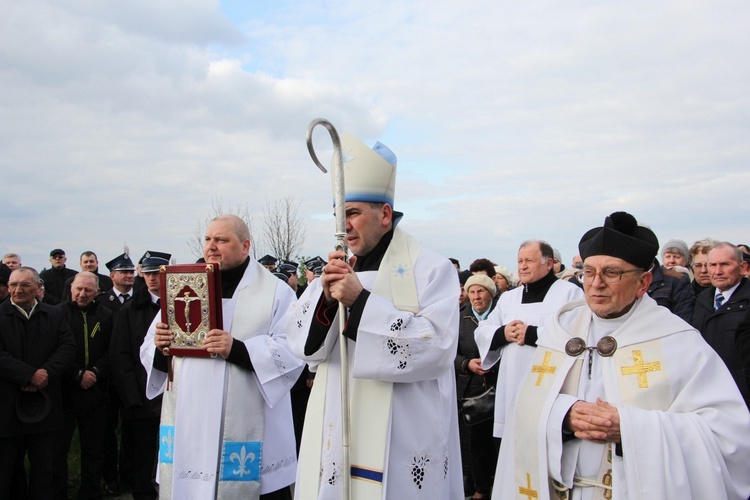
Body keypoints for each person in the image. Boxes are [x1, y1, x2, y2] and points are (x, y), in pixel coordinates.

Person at [491, 211, 750, 499]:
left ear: (643, 282)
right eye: (589, 272)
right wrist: (562, 417)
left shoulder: (677, 341)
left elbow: (728, 437)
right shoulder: (560, 330)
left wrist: (628, 427)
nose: (596, 283)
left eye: (611, 272)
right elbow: (526, 406)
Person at [287, 132, 462, 499]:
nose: (343, 225)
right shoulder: (337, 269)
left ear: (384, 214)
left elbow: (438, 348)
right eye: (338, 214)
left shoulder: (431, 268)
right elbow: (305, 349)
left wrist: (361, 301)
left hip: (403, 433)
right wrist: (324, 297)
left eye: (352, 213)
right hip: (337, 424)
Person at [141, 215, 304, 499]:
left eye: (221, 240)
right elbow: (149, 347)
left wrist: (237, 349)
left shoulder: (275, 291)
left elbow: (293, 351)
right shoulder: (182, 284)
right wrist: (160, 346)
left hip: (248, 424)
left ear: (245, 246)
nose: (211, 246)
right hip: (191, 421)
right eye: (208, 239)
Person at [474, 240, 583, 439]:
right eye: (520, 261)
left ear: (549, 264)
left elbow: (575, 336)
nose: (523, 266)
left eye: (529, 261)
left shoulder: (569, 293)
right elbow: (482, 330)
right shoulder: (509, 298)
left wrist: (532, 334)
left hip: (549, 386)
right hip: (510, 384)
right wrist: (503, 333)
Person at [0, 267, 76, 499]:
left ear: (37, 288)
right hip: (7, 408)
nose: (17, 290)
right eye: (13, 285)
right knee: (6, 471)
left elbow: (68, 347)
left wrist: (45, 373)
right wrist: (27, 375)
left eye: (24, 285)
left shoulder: (53, 315)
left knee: (45, 471)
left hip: (46, 406)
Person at [110, 251, 170, 500]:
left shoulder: (177, 303)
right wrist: (132, 397)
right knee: (142, 454)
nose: (152, 279)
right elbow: (121, 355)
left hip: (171, 392)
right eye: (147, 274)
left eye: (157, 273)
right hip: (141, 395)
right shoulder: (130, 311)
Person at [59, 272, 113, 499]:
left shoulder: (108, 316)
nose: (82, 294)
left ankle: (90, 491)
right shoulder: (57, 314)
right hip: (64, 391)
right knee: (58, 449)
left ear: (97, 292)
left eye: (88, 290)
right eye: (78, 289)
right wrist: (77, 374)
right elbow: (54, 350)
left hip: (95, 391)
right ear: (71, 289)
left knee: (94, 448)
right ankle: (58, 490)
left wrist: (95, 373)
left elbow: (113, 350)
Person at [691, 242, 750, 407]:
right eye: (713, 265)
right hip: (708, 391)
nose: (717, 271)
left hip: (742, 394)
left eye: (725, 264)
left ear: (742, 267)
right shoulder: (702, 300)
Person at [456, 274, 499, 500]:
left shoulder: (500, 316)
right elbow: (449, 352)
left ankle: (496, 484)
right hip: (470, 391)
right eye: (472, 292)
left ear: (490, 293)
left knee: (495, 441)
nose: (476, 296)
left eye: (481, 291)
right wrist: (466, 363)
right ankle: (478, 487)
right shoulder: (460, 318)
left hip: (499, 388)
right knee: (472, 443)